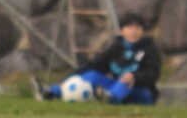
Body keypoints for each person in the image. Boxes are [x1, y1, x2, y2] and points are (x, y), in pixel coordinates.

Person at [33, 13, 162, 105]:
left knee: (126, 80)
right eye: (130, 28)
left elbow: (153, 74)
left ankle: (110, 98)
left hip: (141, 92)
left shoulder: (150, 49)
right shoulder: (116, 48)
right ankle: (50, 92)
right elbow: (95, 64)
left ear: (143, 31)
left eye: (137, 28)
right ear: (122, 31)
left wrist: (135, 77)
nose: (133, 32)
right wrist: (70, 77)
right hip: (114, 86)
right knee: (92, 75)